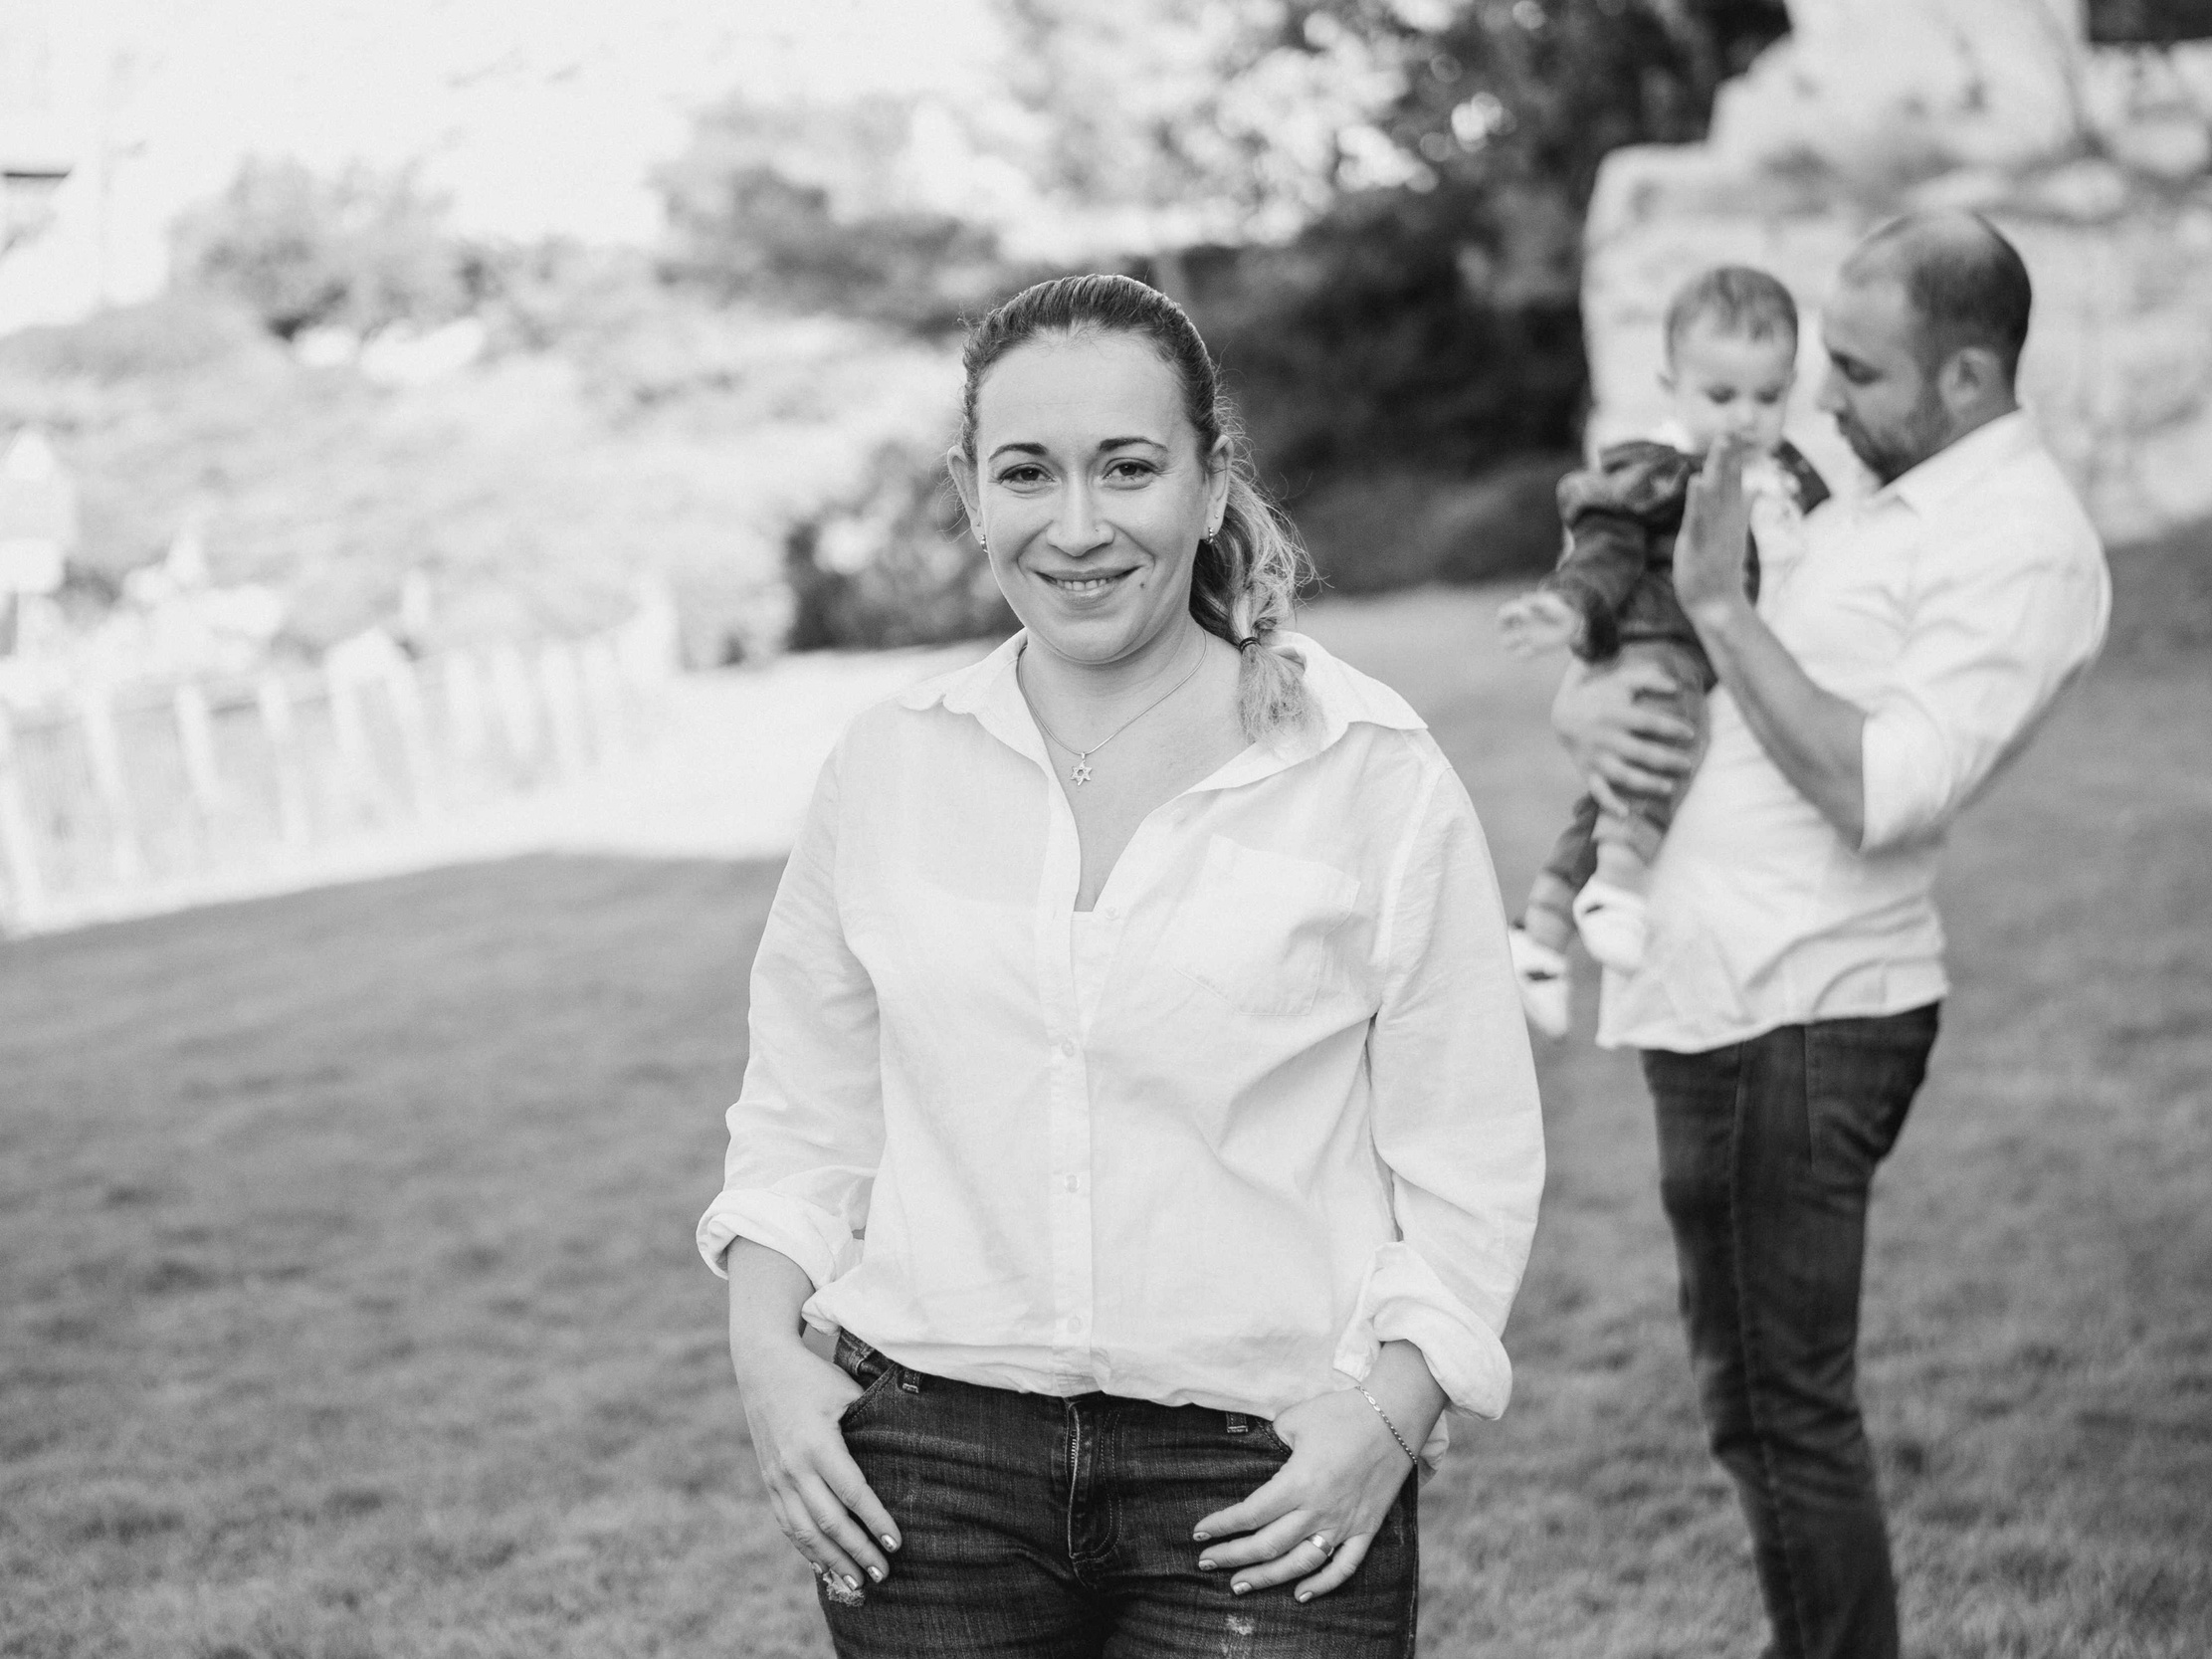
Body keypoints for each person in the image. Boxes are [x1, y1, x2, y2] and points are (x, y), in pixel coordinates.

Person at [699, 273, 1544, 1659]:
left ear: (1214, 483)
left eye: (1130, 467)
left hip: (1264, 1466)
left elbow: (1472, 1156)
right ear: (972, 491)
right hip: (929, 1475)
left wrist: (1387, 1416)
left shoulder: (1366, 769)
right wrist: (766, 1365)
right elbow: (804, 1116)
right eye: (1027, 471)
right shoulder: (889, 765)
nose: (1077, 525)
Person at [1551, 212, 2111, 1659]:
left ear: (1972, 375)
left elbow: (1880, 782)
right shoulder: (1871, 477)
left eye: (1857, 370)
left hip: (1799, 1008)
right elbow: (1670, 664)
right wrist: (1590, 700)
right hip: (1718, 985)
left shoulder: (2025, 544)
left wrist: (1721, 606)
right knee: (1757, 1402)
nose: (1823, 400)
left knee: (1780, 1410)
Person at [1496, 266, 1831, 1037]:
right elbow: (1604, 550)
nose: (1745, 418)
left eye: (1767, 396)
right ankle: (1616, 885)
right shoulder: (1658, 473)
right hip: (1658, 646)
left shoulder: (1790, 480)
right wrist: (1566, 608)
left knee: (1619, 781)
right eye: (1721, 397)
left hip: (1733, 682)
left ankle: (1540, 933)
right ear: (1671, 386)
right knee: (1664, 735)